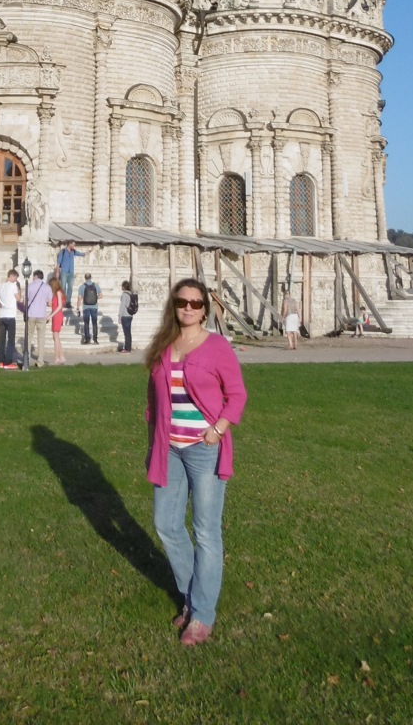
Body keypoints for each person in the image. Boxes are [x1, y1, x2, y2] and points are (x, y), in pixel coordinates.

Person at [145, 277, 248, 648]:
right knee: (167, 525)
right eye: (181, 302)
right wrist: (154, 439)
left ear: (205, 309)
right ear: (174, 306)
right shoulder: (164, 345)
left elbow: (236, 394)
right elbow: (154, 398)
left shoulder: (217, 346)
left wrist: (218, 429)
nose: (188, 308)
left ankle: (202, 613)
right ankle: (192, 596)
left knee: (206, 531)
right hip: (169, 448)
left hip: (204, 448)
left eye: (195, 303)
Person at [0, 269, 20, 368]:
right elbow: (19, 298)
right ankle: (8, 362)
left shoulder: (1, 286)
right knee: (11, 340)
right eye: (15, 277)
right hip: (10, 315)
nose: (16, 279)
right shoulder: (13, 286)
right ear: (12, 276)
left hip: (2, 315)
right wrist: (19, 289)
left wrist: (0, 305)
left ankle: (1, 360)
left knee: (2, 339)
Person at [25, 269, 53, 367]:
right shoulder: (47, 287)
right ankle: (40, 361)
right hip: (41, 315)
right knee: (41, 339)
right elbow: (50, 303)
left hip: (31, 314)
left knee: (28, 337)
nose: (32, 278)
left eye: (33, 276)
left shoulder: (30, 286)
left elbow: (25, 301)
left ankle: (26, 358)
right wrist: (42, 302)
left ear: (36, 276)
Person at [56, 241, 85, 307]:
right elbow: (58, 263)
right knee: (63, 287)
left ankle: (68, 302)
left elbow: (81, 254)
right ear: (69, 244)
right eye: (73, 245)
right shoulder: (63, 252)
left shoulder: (73, 251)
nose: (74, 246)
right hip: (64, 271)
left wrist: (89, 251)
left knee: (70, 288)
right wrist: (57, 272)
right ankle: (63, 302)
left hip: (71, 272)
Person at [49, 275, 66, 365]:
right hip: (56, 315)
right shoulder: (57, 293)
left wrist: (50, 315)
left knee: (55, 337)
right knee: (56, 337)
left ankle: (57, 357)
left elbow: (59, 306)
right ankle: (61, 356)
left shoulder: (58, 292)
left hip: (57, 315)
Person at [79, 273, 100, 344]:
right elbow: (101, 295)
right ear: (91, 277)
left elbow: (79, 298)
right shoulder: (96, 285)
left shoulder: (82, 286)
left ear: (85, 278)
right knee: (94, 323)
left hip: (85, 307)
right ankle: (95, 339)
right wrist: (95, 298)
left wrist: (77, 307)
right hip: (94, 307)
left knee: (86, 323)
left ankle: (87, 339)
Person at [117, 279, 137, 353]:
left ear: (124, 287)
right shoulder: (130, 294)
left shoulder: (124, 295)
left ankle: (127, 348)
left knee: (126, 333)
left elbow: (122, 306)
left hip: (125, 315)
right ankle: (128, 347)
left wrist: (119, 316)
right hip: (130, 315)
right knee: (128, 332)